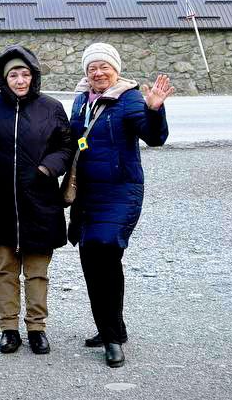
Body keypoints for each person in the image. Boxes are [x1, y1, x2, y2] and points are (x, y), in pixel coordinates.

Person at [67, 43, 172, 369]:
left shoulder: (129, 98)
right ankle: (111, 327)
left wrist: (154, 110)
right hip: (87, 195)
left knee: (105, 255)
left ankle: (112, 339)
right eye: (92, 68)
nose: (98, 73)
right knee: (91, 261)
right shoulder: (81, 100)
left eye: (104, 67)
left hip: (120, 193)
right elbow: (72, 141)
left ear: (116, 70)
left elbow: (154, 137)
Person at [0, 46, 72, 356]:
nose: (19, 80)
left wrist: (47, 168)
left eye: (25, 74)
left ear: (33, 76)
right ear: (4, 78)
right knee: (4, 269)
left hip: (40, 203)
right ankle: (9, 328)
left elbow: (66, 146)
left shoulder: (51, 107)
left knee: (37, 271)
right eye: (13, 75)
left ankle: (37, 328)